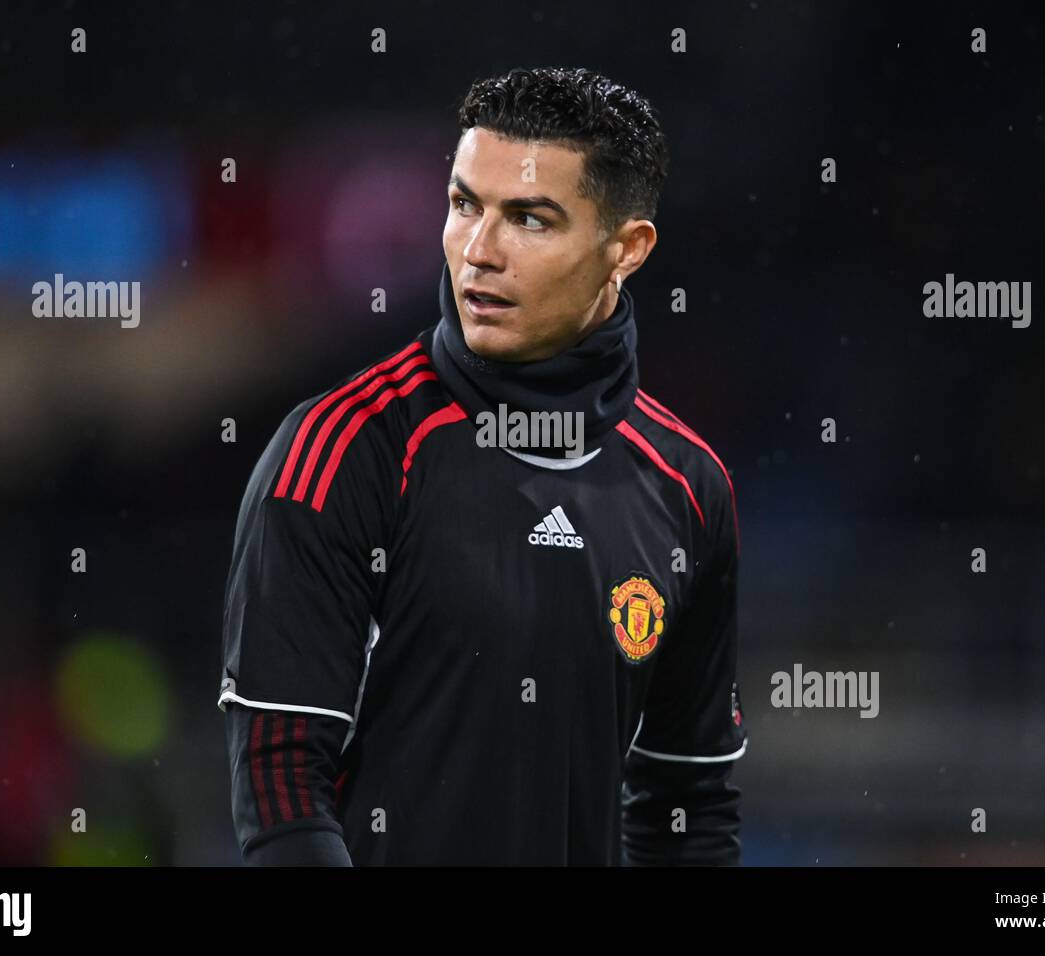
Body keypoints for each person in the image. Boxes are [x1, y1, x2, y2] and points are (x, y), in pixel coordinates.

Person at [219, 66, 746, 865]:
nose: (479, 251)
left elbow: (688, 805)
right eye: (465, 205)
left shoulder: (688, 488)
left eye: (531, 219)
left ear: (626, 250)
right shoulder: (342, 450)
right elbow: (282, 785)